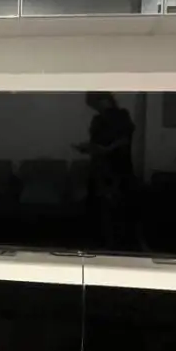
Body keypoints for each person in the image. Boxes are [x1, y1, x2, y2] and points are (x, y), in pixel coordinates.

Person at [74, 92, 136, 249]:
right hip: (99, 167)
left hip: (117, 167)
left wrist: (107, 149)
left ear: (105, 100)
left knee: (117, 207)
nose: (95, 108)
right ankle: (100, 243)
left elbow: (125, 139)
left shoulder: (122, 116)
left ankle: (117, 245)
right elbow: (95, 142)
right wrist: (88, 148)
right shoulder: (97, 119)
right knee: (98, 207)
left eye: (95, 104)